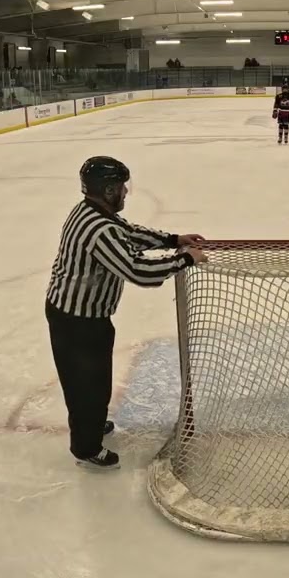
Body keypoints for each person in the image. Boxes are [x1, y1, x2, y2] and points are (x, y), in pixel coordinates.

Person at [44, 157, 207, 470]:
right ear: (107, 190)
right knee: (85, 386)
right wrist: (184, 260)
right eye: (120, 188)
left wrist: (173, 240)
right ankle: (86, 447)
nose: (125, 193)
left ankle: (91, 423)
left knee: (96, 381)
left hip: (86, 317)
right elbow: (138, 270)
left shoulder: (93, 211)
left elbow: (129, 234)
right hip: (76, 321)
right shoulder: (98, 229)